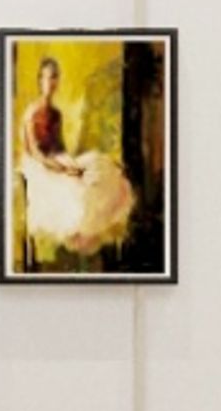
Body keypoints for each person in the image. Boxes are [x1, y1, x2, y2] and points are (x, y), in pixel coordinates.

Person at [14, 54, 138, 266]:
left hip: (57, 159)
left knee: (99, 167)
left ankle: (99, 246)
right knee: (74, 191)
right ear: (39, 81)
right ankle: (80, 242)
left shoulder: (56, 114)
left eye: (54, 78)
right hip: (38, 166)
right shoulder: (31, 113)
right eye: (46, 78)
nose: (51, 83)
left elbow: (60, 147)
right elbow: (36, 153)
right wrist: (62, 169)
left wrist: (71, 164)